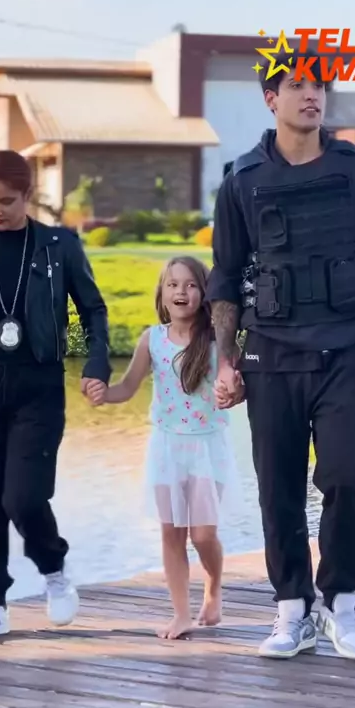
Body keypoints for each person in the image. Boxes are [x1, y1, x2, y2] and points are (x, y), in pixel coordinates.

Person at [206, 49, 355, 661]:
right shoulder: (242, 179)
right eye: (297, 84)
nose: (312, 94)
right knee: (279, 488)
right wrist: (225, 359)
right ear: (271, 99)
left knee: (347, 474)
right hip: (270, 355)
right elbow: (225, 277)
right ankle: (291, 610)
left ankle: (340, 604)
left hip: (346, 349)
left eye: (319, 85)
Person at [0, 150, 111, 643]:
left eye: (6, 201)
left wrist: (96, 363)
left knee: (24, 497)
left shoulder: (59, 246)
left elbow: (93, 310)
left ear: (27, 196)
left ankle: (53, 568)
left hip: (38, 386)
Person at [86, 256, 244, 639]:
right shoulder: (152, 340)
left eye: (190, 285)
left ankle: (213, 586)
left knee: (202, 535)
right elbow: (127, 388)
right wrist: (103, 394)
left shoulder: (219, 343)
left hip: (207, 448)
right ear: (162, 293)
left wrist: (233, 395)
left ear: (204, 293)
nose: (180, 292)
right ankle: (181, 614)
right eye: (172, 284)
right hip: (166, 449)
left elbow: (239, 390)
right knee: (171, 533)